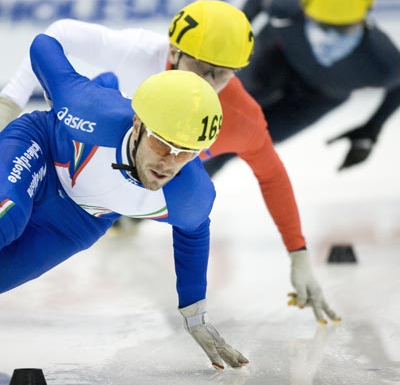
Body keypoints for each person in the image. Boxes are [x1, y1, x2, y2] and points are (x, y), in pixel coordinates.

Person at [0, 0, 340, 325]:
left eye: (222, 75)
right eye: (201, 68)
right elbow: (60, 35)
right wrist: (10, 102)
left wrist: (299, 254)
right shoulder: (140, 52)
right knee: (7, 220)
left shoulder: (241, 119)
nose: (207, 83)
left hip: (96, 201)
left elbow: (272, 176)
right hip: (65, 143)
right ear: (173, 51)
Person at [0, 33, 252, 371]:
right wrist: (10, 104)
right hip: (41, 150)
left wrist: (195, 315)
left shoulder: (190, 194)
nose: (168, 163)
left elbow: (193, 234)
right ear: (137, 125)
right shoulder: (87, 109)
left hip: (78, 220)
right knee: (7, 219)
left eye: (186, 152)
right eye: (163, 144)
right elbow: (43, 44)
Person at [234, 0, 400, 170]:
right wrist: (232, 40)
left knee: (245, 141)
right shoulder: (287, 7)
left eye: (342, 29)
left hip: (320, 97)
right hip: (275, 63)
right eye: (321, 23)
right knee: (225, 114)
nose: (328, 34)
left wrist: (371, 129)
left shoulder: (382, 62)